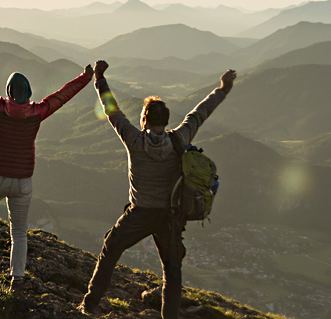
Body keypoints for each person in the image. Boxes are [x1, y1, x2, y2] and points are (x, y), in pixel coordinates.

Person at [77, 60, 236, 318]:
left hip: (139, 213)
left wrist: (99, 78)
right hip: (170, 217)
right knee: (172, 270)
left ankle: (89, 304)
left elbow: (111, 109)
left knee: (110, 249)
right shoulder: (179, 139)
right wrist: (223, 89)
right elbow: (200, 113)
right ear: (166, 119)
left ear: (144, 119)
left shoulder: (134, 139)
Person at [0, 45, 93, 290]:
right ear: (28, 93)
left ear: (9, 92)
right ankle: (17, 280)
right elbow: (63, 95)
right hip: (23, 182)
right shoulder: (38, 112)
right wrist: (86, 76)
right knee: (19, 232)